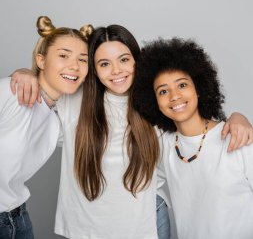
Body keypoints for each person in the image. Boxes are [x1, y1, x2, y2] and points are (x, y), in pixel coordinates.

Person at [10, 25, 253, 239]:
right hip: (85, 227)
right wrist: (26, 72)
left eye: (124, 59)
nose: (116, 70)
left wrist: (236, 118)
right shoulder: (74, 100)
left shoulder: (155, 105)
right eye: (104, 63)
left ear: (137, 61)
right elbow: (47, 85)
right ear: (93, 69)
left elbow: (193, 122)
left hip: (147, 225)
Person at [132, 37, 253, 239]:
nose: (174, 96)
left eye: (182, 85)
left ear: (198, 88)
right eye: (163, 91)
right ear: (154, 101)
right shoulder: (164, 145)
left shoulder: (238, 137)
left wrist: (239, 117)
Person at [0, 16, 92, 239]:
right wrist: (22, 72)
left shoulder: (57, 121)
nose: (74, 65)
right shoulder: (11, 93)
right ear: (41, 61)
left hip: (17, 217)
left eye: (83, 59)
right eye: (63, 56)